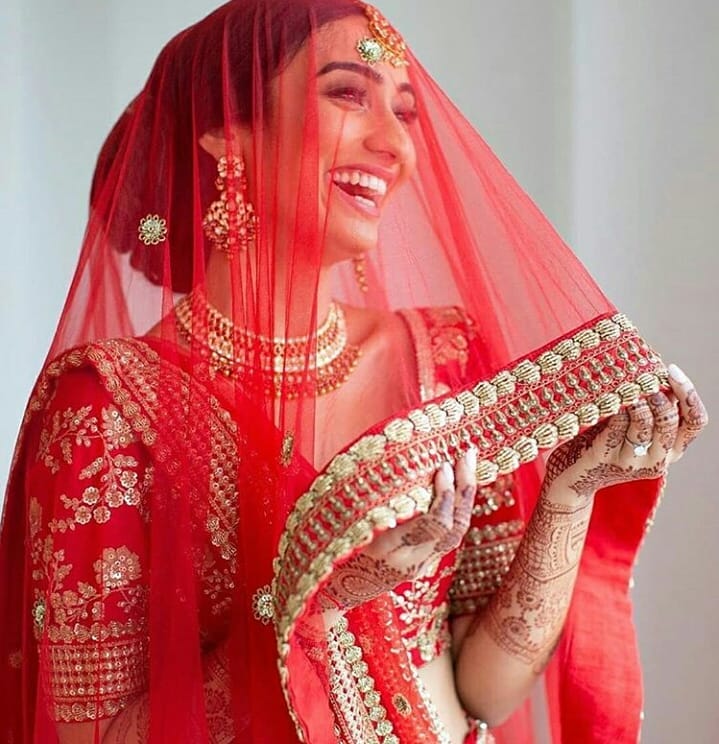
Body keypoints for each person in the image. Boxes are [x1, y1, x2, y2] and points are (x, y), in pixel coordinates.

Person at [0, 1, 707, 743]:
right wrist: (320, 605)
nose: (394, 145)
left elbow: (484, 690)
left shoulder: (446, 358)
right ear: (225, 130)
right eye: (346, 94)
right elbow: (94, 735)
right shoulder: (111, 404)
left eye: (404, 113)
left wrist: (567, 493)